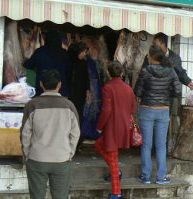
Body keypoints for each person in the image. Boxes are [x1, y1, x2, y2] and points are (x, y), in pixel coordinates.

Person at [20, 69, 80, 199]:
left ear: (41, 84)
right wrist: (70, 152)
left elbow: (25, 133)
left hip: (37, 159)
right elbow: (75, 133)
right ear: (59, 85)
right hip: (61, 159)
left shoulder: (32, 105)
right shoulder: (69, 106)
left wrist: (27, 153)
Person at [134, 45, 181, 184]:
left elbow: (137, 91)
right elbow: (177, 91)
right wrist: (166, 95)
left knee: (146, 145)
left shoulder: (145, 71)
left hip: (147, 109)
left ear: (151, 56)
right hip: (163, 110)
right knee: (161, 145)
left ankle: (146, 176)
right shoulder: (171, 72)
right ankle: (161, 177)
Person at [95, 61, 136, 199]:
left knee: (112, 158)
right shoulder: (128, 88)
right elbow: (133, 109)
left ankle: (117, 193)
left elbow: (106, 110)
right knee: (101, 147)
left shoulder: (107, 87)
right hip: (124, 126)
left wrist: (99, 126)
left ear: (108, 73)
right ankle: (116, 172)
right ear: (122, 73)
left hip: (111, 127)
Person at [23, 30, 70, 97]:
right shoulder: (64, 54)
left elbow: (28, 65)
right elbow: (69, 70)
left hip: (43, 91)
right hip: (61, 91)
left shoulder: (40, 52)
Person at [67, 41, 90, 128]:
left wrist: (88, 90)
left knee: (78, 116)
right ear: (78, 51)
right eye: (83, 51)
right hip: (68, 95)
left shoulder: (83, 63)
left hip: (80, 96)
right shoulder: (68, 61)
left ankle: (77, 138)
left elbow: (86, 77)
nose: (85, 54)